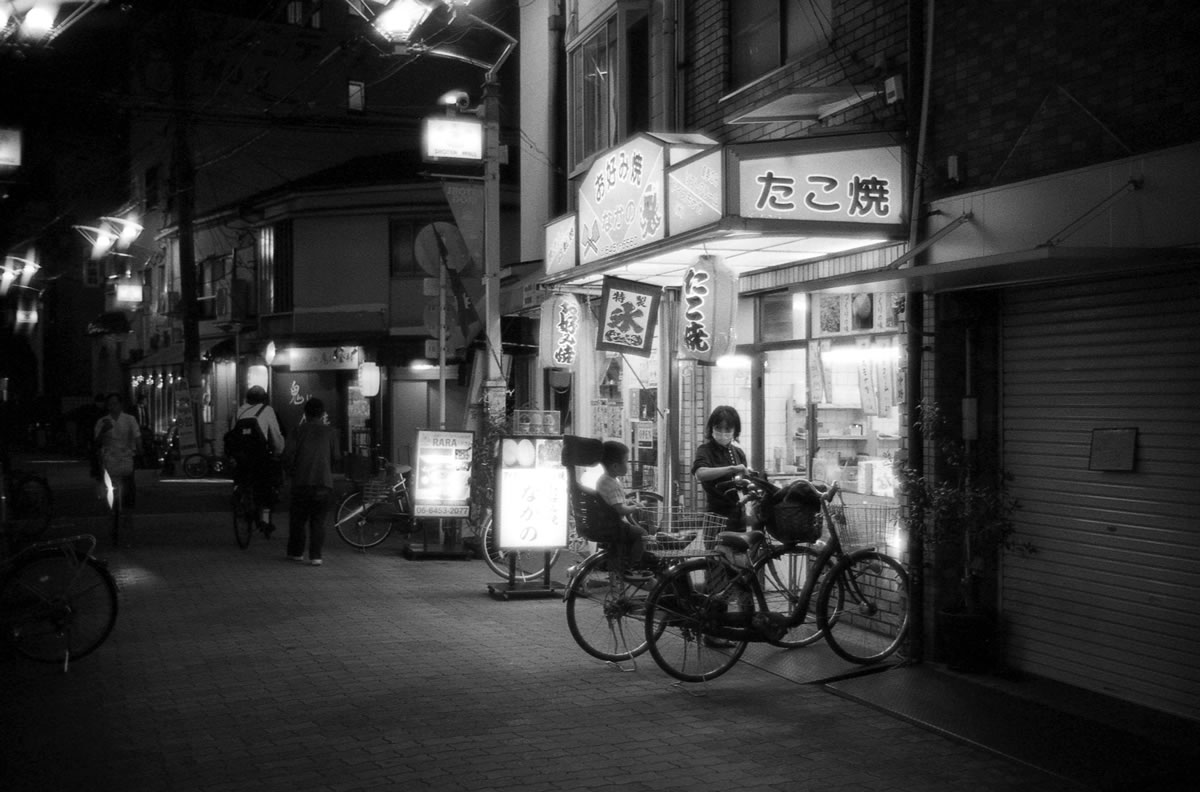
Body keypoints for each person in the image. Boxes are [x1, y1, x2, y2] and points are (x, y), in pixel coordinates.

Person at [281, 397, 341, 566]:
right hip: (324, 483)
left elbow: (287, 455)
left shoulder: (297, 431)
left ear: (305, 414)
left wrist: (290, 471)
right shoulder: (330, 432)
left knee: (298, 520)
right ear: (323, 414)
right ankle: (316, 556)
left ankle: (296, 553)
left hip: (301, 482)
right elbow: (336, 457)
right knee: (318, 522)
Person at [593, 440, 656, 573]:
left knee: (636, 530)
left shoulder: (605, 480)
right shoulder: (612, 484)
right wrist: (636, 507)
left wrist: (628, 502)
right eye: (626, 461)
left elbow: (614, 502)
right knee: (642, 534)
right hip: (614, 525)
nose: (628, 465)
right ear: (615, 466)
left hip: (605, 523)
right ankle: (632, 564)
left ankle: (626, 561)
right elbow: (620, 509)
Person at [231, 385, 286, 535]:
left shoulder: (240, 411)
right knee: (266, 490)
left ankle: (243, 501)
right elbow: (275, 435)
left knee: (244, 482)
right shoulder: (267, 410)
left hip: (241, 458)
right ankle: (265, 521)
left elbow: (232, 435)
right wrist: (278, 451)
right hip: (260, 458)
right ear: (264, 398)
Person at [691, 405, 750, 532]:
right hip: (715, 517)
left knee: (740, 551)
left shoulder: (738, 453)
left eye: (727, 428)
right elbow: (700, 473)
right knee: (717, 551)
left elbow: (745, 485)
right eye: (718, 428)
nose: (723, 432)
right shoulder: (705, 450)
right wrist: (731, 469)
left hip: (738, 517)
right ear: (711, 428)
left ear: (735, 431)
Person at [94, 392, 141, 545]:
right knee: (109, 496)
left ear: (121, 405)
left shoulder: (129, 419)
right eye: (110, 404)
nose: (113, 406)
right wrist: (103, 431)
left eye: (115, 403)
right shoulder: (103, 421)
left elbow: (137, 437)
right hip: (109, 463)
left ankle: (128, 527)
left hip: (126, 461)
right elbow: (97, 442)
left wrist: (141, 452)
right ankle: (112, 522)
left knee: (128, 497)